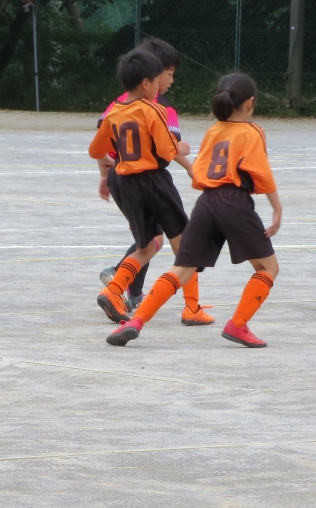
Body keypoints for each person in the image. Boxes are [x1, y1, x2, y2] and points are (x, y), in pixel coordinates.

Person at [107, 73, 280, 347]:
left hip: (206, 203)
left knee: (181, 270)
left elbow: (199, 174)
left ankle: (135, 321)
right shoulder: (253, 131)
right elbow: (263, 175)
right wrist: (276, 209)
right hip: (235, 202)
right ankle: (237, 325)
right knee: (268, 267)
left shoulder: (212, 132)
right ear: (250, 102)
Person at [89, 50, 196, 324]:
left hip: (127, 184)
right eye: (159, 79)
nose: (161, 85)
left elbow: (96, 150)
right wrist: (182, 147)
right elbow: (167, 150)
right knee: (183, 243)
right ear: (147, 83)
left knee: (146, 246)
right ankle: (192, 308)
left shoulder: (114, 112)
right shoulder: (154, 109)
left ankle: (113, 290)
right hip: (154, 182)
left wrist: (111, 157)